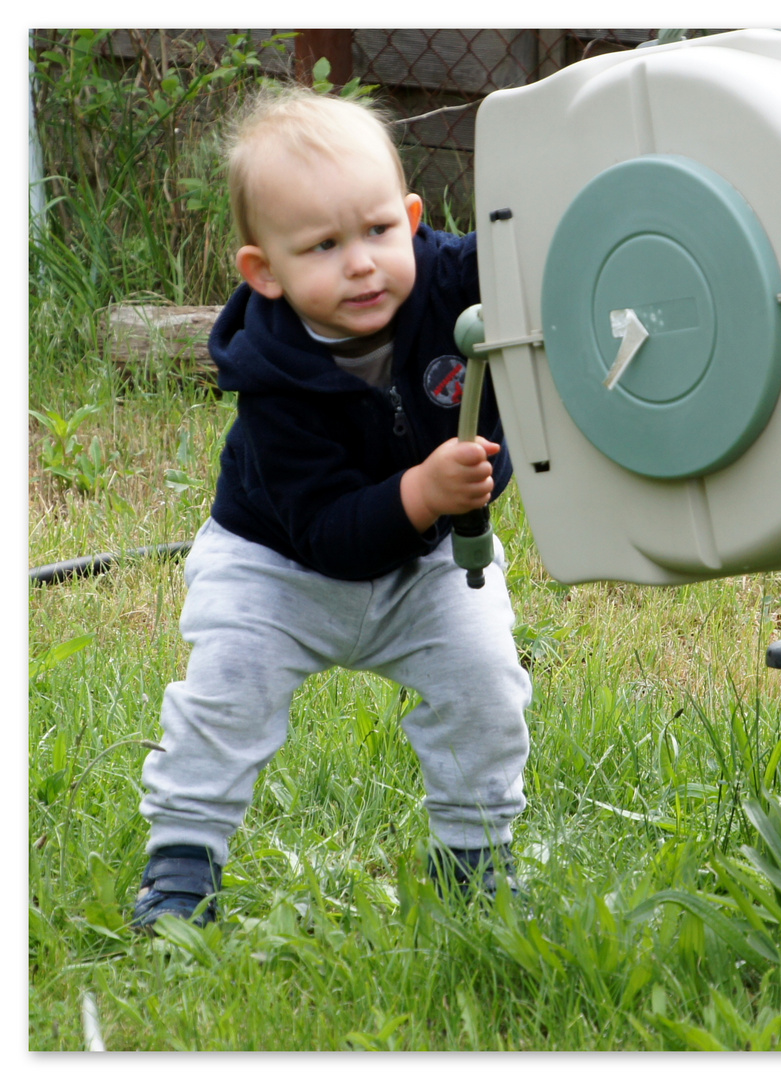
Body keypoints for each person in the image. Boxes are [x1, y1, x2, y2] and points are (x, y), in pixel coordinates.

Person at [131, 86, 532, 930]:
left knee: (484, 682)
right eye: (322, 245)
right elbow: (327, 537)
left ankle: (477, 860)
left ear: (413, 217)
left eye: (380, 231)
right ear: (264, 272)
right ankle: (182, 863)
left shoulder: (456, 280)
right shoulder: (269, 380)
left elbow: (541, 250)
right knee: (225, 694)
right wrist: (425, 489)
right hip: (277, 567)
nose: (361, 262)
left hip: (431, 566)